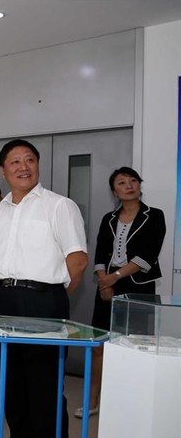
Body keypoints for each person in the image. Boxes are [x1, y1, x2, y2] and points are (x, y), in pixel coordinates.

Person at [0, 139, 88, 438]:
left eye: (30, 159)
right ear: (3, 170)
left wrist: (52, 298)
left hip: (44, 301)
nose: (24, 167)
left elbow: (78, 260)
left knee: (44, 384)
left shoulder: (59, 205)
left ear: (38, 164)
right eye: (15, 161)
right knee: (11, 383)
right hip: (2, 301)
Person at [74, 166, 165, 419]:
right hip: (108, 284)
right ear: (114, 191)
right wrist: (104, 281)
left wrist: (113, 278)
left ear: (139, 185)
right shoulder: (109, 218)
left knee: (136, 346)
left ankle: (132, 404)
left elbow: (147, 256)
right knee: (99, 345)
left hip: (138, 285)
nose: (129, 186)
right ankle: (92, 401)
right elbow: (101, 251)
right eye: (122, 183)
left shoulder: (154, 216)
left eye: (133, 181)